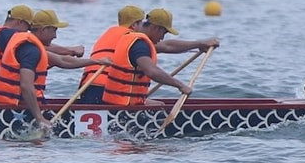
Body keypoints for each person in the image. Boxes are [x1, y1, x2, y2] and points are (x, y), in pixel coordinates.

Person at [0, 9, 112, 126]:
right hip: (14, 112)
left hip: (9, 106)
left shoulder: (32, 46)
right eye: (54, 30)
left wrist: (97, 61)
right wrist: (40, 118)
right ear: (43, 30)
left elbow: (62, 61)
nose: (55, 36)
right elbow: (26, 86)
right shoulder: (30, 50)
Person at [80, 7, 216, 107]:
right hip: (104, 91)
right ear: (155, 28)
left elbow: (166, 46)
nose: (163, 37)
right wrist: (180, 85)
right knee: (160, 107)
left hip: (88, 89)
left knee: (157, 104)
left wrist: (198, 44)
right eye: (164, 32)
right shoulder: (137, 42)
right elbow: (152, 69)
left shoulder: (121, 36)